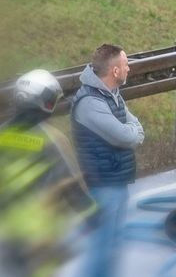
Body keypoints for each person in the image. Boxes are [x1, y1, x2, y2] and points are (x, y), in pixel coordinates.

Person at [1, 70, 93, 275]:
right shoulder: (51, 140)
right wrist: (92, 213)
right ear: (45, 104)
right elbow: (71, 184)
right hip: (38, 235)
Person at [72, 43, 144, 277]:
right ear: (114, 71)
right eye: (125, 65)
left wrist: (133, 132)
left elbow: (135, 128)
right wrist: (133, 132)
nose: (128, 69)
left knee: (112, 248)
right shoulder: (91, 102)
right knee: (100, 250)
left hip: (115, 181)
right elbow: (127, 136)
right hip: (101, 185)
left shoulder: (111, 95)